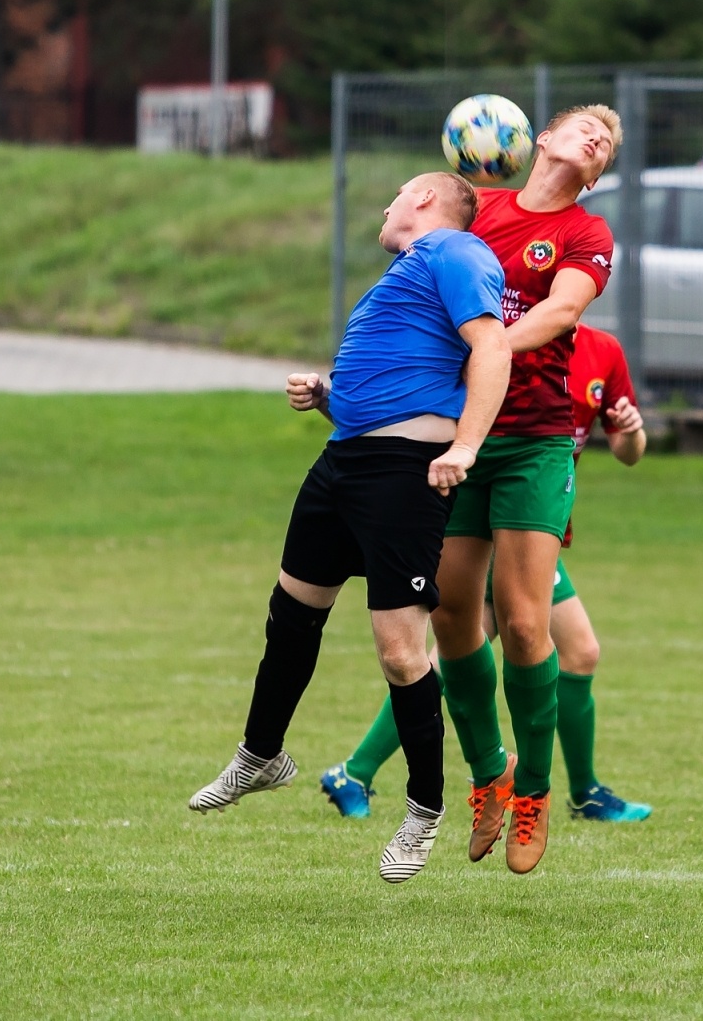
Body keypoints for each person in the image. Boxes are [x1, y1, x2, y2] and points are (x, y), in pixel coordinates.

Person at [187, 172, 511, 885]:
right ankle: (261, 754)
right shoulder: (406, 274)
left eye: (397, 193)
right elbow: (399, 380)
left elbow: (492, 349)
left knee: (401, 654)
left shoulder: (456, 249)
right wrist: (329, 395)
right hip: (345, 460)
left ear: (425, 200)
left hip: (405, 473)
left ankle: (424, 809)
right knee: (291, 614)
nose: (386, 205)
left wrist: (465, 446)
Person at [319, 322, 652, 825]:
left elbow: (630, 452)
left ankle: (356, 770)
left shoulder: (603, 350)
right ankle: (575, 790)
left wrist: (630, 430)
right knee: (467, 654)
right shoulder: (495, 342)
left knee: (525, 654)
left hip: (533, 526)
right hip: (491, 528)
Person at [431, 105, 622, 876]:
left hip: (536, 442)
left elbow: (561, 310)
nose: (596, 142)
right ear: (539, 138)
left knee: (521, 621)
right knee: (448, 615)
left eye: (606, 144)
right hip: (461, 434)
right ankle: (490, 772)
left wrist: (486, 346)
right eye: (586, 129)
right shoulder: (479, 210)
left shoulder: (589, 234)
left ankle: (537, 794)